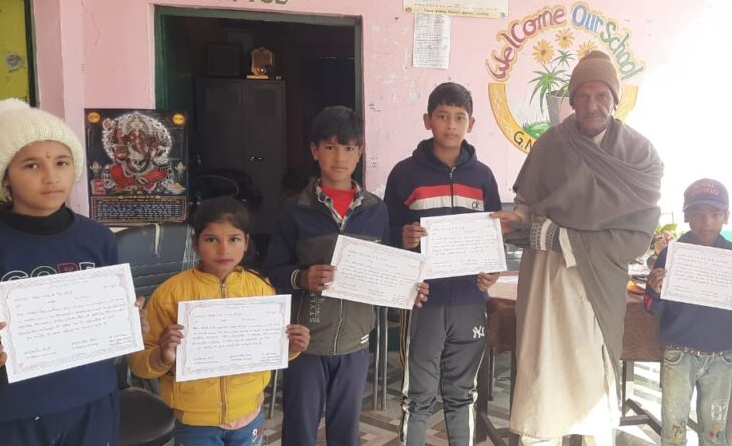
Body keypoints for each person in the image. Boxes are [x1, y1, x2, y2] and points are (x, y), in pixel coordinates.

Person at [493, 51, 664, 444]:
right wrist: (515, 220)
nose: (591, 105)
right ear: (570, 101)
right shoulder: (551, 144)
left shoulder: (639, 153)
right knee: (543, 371)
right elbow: (527, 204)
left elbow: (636, 235)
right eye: (582, 96)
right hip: (546, 279)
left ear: (615, 100)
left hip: (598, 280)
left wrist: (560, 237)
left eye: (601, 95)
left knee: (593, 377)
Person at [0, 98, 138, 445]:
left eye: (62, 162)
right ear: (5, 178)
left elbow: (109, 332)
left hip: (92, 403)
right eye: (31, 165)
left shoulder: (98, 239)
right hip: (6, 415)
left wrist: (127, 322)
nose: (51, 177)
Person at [264, 106, 430, 445]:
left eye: (349, 148)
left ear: (360, 151)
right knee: (300, 429)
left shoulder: (376, 210)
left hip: (356, 341)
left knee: (345, 430)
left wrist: (408, 289)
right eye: (330, 147)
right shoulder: (294, 210)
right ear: (315, 151)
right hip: (305, 342)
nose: (339, 157)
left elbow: (385, 270)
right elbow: (272, 272)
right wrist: (302, 278)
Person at [128, 197, 311, 445]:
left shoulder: (261, 290)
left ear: (246, 243)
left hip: (249, 412)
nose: (224, 250)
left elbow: (268, 352)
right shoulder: (170, 294)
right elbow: (138, 364)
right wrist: (162, 356)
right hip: (195, 420)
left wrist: (291, 348)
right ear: (195, 243)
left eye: (234, 239)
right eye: (211, 239)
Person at [384, 82, 502, 445]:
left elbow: (492, 236)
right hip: (423, 300)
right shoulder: (405, 174)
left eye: (459, 117)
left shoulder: (483, 177)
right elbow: (385, 234)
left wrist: (492, 271)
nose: (451, 125)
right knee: (417, 396)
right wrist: (402, 238)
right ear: (427, 120)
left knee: (462, 394)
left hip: (470, 300)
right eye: (442, 116)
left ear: (471, 123)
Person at [644, 179, 732, 446]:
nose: (707, 222)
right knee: (673, 432)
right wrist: (653, 290)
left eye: (715, 214)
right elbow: (653, 308)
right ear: (686, 216)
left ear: (727, 216)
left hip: (720, 355)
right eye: (698, 214)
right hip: (679, 354)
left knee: (714, 433)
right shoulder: (672, 255)